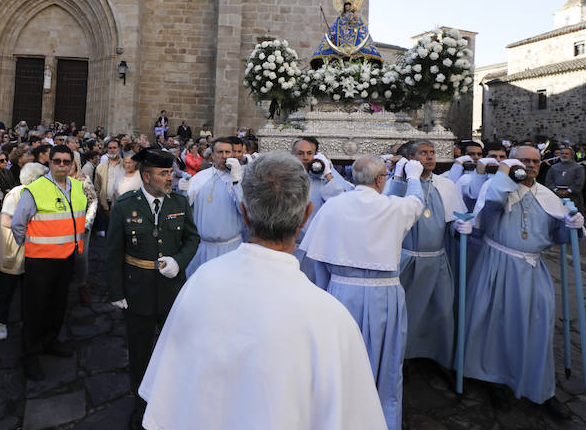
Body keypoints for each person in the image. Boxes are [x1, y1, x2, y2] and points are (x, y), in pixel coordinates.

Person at [139, 151, 387, 430]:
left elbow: (166, 392)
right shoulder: (332, 318)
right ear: (307, 214)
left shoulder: (201, 282)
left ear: (244, 213)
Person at [300, 155, 426, 429]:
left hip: (341, 294)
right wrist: (412, 178)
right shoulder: (393, 207)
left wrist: (331, 288)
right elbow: (416, 204)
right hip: (384, 296)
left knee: (340, 361)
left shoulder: (334, 207)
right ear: (381, 180)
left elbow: (317, 259)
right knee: (384, 362)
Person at [463, 146, 582, 419]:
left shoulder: (549, 196)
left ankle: (541, 388)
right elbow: (487, 216)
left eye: (535, 161)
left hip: (533, 268)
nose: (530, 165)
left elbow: (561, 237)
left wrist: (572, 224)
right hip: (497, 264)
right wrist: (507, 175)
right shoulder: (498, 188)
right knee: (495, 324)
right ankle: (494, 379)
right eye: (524, 160)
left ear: (542, 164)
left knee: (538, 325)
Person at [106, 148, 199, 429]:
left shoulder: (179, 203)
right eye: (163, 173)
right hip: (138, 291)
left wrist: (179, 261)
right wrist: (116, 292)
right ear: (146, 176)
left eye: (170, 172)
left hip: (171, 290)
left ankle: (171, 402)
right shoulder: (124, 205)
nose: (170, 178)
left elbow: (192, 239)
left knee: (174, 348)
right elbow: (113, 252)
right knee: (140, 352)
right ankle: (142, 405)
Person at [386, 140, 465, 371]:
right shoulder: (399, 185)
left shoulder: (446, 185)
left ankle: (439, 356)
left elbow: (452, 218)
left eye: (432, 153)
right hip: (408, 260)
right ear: (411, 160)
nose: (430, 157)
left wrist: (458, 228)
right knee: (408, 312)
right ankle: (403, 358)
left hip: (437, 259)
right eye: (423, 153)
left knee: (441, 309)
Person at [11, 145, 87, 381]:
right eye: (57, 161)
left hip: (66, 258)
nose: (62, 166)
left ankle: (50, 341)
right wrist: (33, 246)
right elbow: (18, 224)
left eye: (66, 161)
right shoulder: (34, 190)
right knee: (34, 310)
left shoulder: (76, 186)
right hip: (41, 260)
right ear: (50, 163)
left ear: (72, 164)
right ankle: (30, 355)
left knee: (58, 305)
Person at [0, 162, 47, 341]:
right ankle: (0, 322)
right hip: (14, 248)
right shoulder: (16, 194)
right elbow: (6, 221)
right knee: (7, 289)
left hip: (32, 249)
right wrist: (34, 230)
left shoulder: (39, 193)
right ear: (32, 179)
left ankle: (28, 320)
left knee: (29, 288)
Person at [290, 137, 352, 280]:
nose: (305, 158)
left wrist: (328, 174)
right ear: (293, 155)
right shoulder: (286, 177)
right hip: (291, 246)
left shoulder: (323, 179)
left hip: (315, 247)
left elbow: (340, 203)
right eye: (300, 153)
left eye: (309, 153)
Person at [185, 137, 247, 276]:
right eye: (219, 152)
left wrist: (236, 180)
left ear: (233, 154)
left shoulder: (241, 178)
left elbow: (245, 211)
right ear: (212, 155)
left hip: (232, 248)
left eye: (227, 152)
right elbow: (185, 210)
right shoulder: (199, 179)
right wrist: (182, 192)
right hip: (204, 248)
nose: (224, 156)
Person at [70, 156, 98, 304]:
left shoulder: (83, 179)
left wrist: (87, 223)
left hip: (81, 226)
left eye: (69, 162)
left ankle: (81, 285)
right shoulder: (54, 180)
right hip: (61, 226)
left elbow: (92, 201)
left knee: (81, 256)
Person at [545, 146, 586, 211]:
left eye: (566, 154)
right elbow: (548, 181)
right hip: (556, 194)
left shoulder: (578, 168)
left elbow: (579, 182)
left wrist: (568, 191)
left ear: (572, 155)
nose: (564, 155)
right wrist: (556, 190)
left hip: (573, 196)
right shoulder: (553, 167)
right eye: (562, 154)